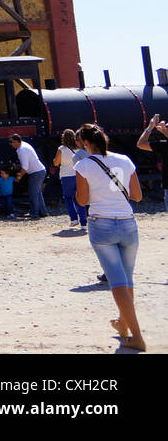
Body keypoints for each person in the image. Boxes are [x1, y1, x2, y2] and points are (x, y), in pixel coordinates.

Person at [74, 123, 145, 351]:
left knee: (117, 282)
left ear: (84, 143)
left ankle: (137, 336)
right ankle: (123, 325)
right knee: (127, 279)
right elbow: (137, 195)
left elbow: (83, 201)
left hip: (101, 224)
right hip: (128, 223)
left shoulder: (83, 165)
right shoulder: (125, 160)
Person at [54, 129, 88, 229]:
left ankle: (74, 219)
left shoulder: (61, 149)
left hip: (66, 176)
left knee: (68, 198)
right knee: (80, 198)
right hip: (79, 174)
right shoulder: (79, 149)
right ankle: (84, 223)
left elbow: (56, 163)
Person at [11, 133, 48, 218]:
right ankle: (43, 212)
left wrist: (18, 177)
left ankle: (34, 213)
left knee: (33, 193)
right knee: (38, 193)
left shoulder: (22, 150)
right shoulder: (23, 146)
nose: (11, 144)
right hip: (39, 171)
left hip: (36, 173)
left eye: (11, 142)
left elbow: (25, 167)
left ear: (17, 142)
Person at [135, 113, 168, 210]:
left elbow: (141, 144)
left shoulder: (165, 146)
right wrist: (164, 132)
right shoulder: (164, 145)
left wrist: (150, 127)